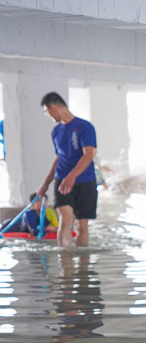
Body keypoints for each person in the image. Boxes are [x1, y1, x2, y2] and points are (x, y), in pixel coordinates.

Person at [36, 92, 98, 247]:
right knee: (65, 220)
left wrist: (72, 177)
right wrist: (45, 184)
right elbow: (58, 158)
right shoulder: (56, 131)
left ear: (53, 106)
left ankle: (83, 268)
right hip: (62, 181)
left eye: (47, 111)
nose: (48, 115)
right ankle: (66, 266)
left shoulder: (85, 127)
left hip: (85, 181)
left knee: (82, 225)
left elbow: (88, 155)